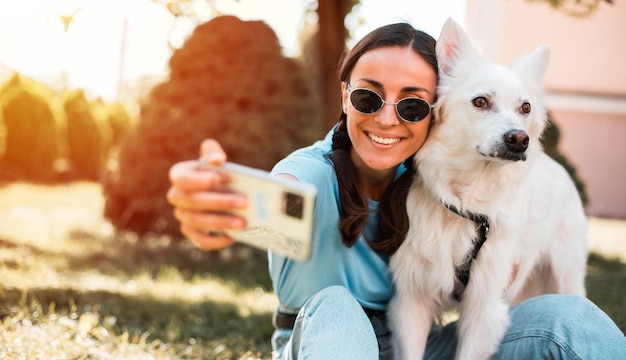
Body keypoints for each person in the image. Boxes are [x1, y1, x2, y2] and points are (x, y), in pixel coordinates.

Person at [167, 23, 626, 360]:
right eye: (369, 98)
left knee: (570, 318)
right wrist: (218, 203)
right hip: (328, 342)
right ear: (345, 95)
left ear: (435, 112)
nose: (387, 119)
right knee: (339, 306)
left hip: (417, 348)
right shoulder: (310, 171)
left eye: (410, 104)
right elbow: (274, 204)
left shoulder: (434, 181)